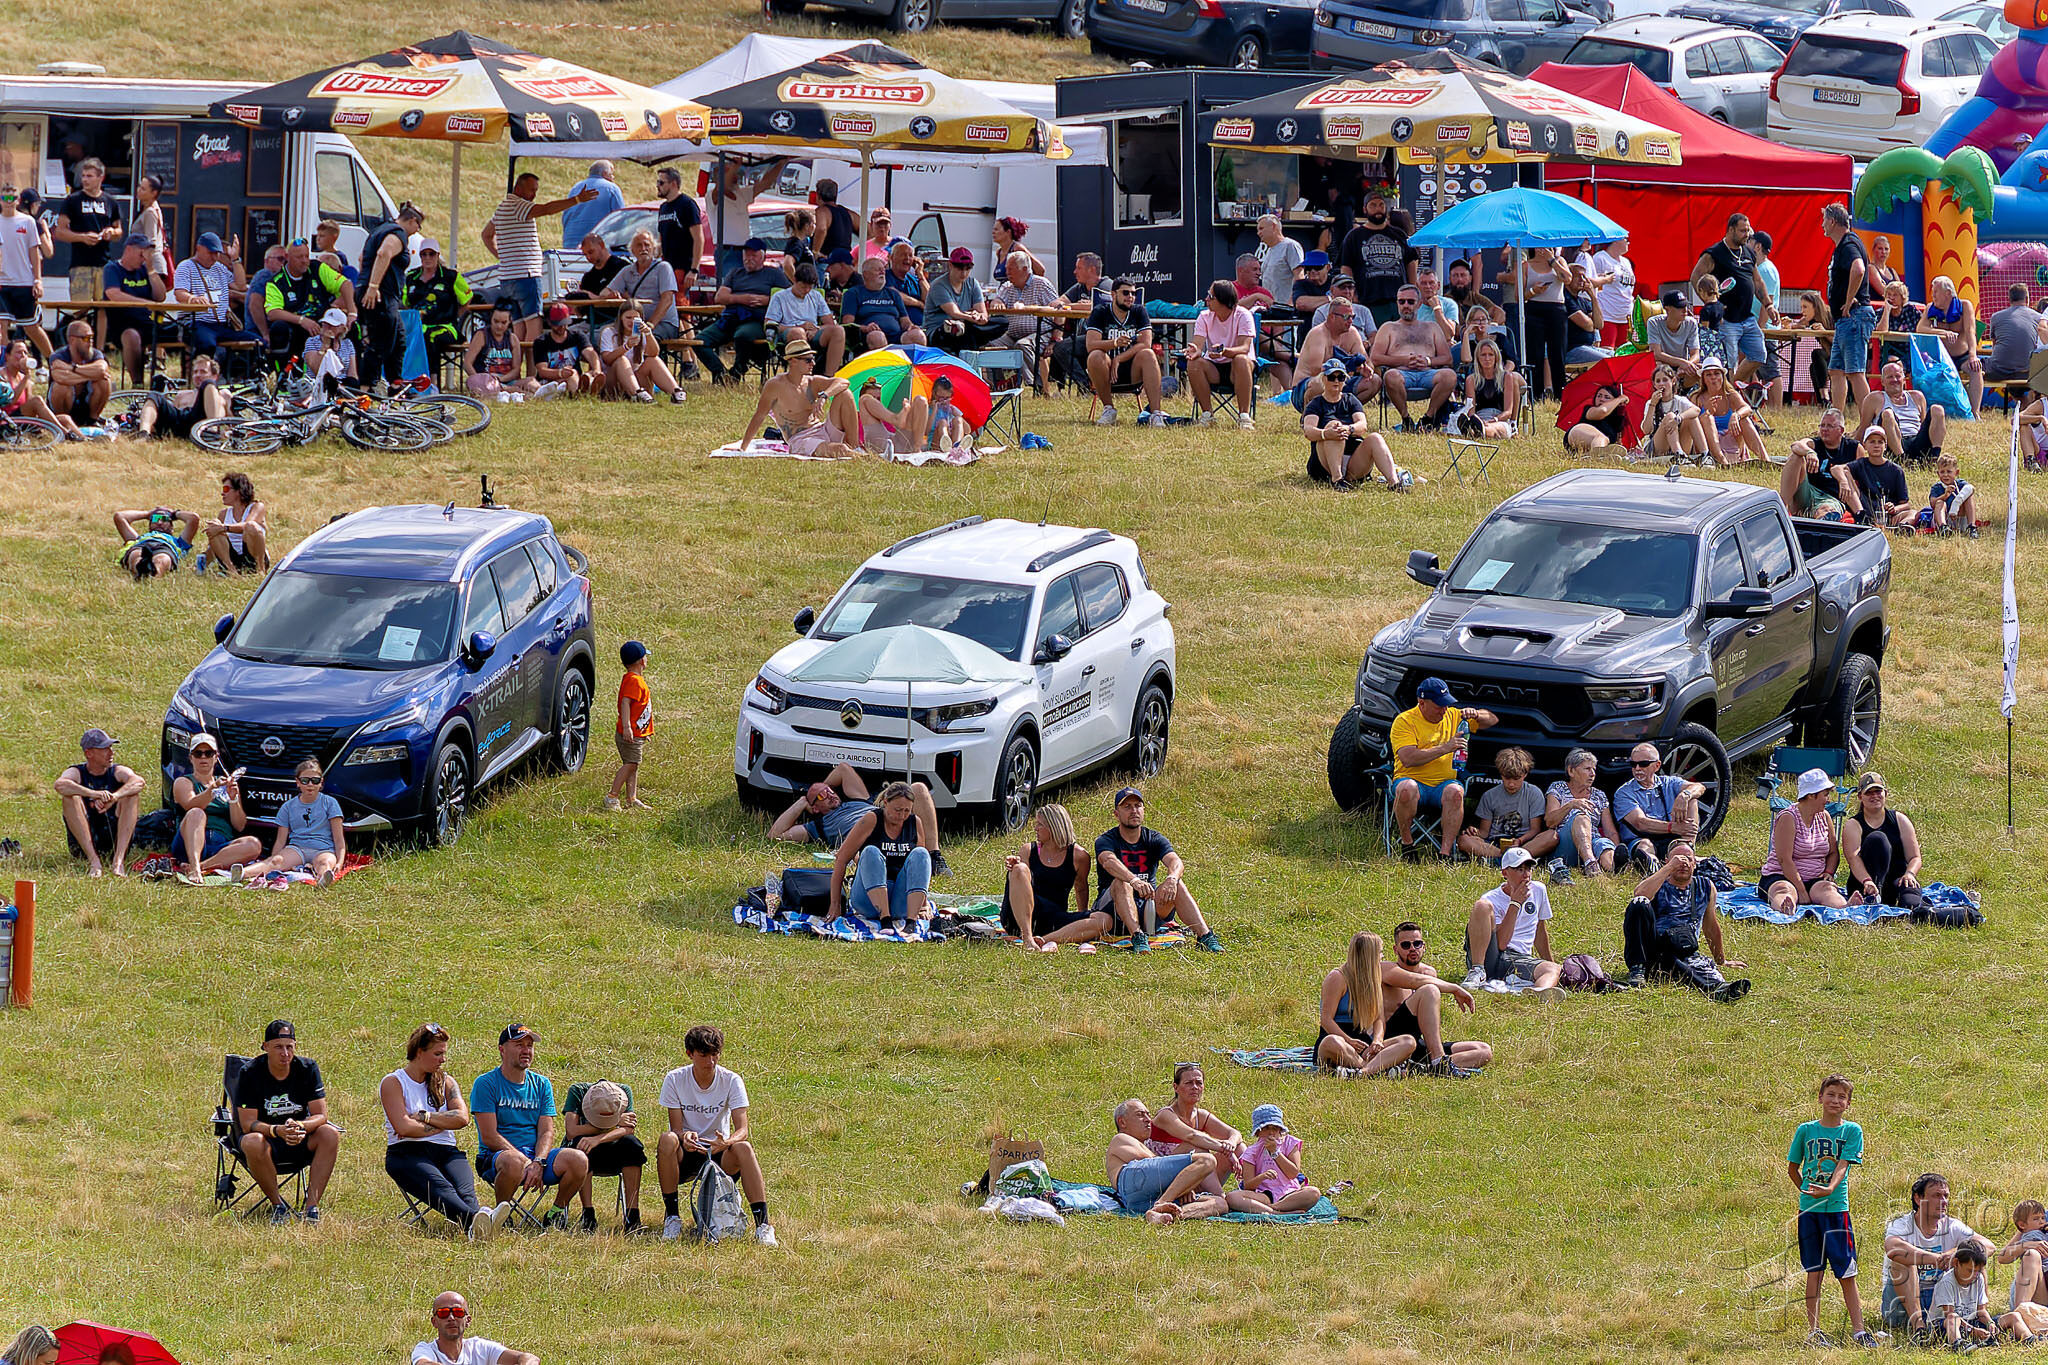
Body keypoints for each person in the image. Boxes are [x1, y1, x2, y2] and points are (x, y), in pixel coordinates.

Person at [381, 1024, 506, 1241]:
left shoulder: (446, 1082)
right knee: (442, 1188)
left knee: (465, 1192)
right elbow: (403, 1128)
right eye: (437, 1054)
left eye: (444, 1054)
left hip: (447, 1151)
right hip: (407, 1153)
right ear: (419, 1052)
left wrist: (424, 1117)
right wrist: (444, 1122)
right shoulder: (393, 1082)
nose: (443, 1060)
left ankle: (479, 1225)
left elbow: (462, 1118)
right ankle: (480, 1222)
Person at [655, 1025, 776, 1245]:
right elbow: (676, 1128)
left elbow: (743, 1130)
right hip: (687, 1152)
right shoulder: (675, 1079)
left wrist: (725, 1142)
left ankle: (763, 1226)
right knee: (667, 1139)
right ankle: (672, 1218)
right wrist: (685, 1137)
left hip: (719, 1152)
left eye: (715, 1055)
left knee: (744, 1147)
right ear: (690, 1054)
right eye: (704, 1055)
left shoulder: (731, 1080)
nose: (710, 1062)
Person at [470, 1023, 591, 1232]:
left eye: (529, 1045)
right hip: (496, 1157)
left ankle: (555, 1213)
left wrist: (538, 1161)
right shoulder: (486, 1083)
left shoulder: (541, 1084)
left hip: (536, 1158)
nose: (526, 1050)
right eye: (519, 1045)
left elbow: (547, 1131)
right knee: (513, 1161)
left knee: (578, 1159)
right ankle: (501, 1215)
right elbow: (489, 1136)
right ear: (502, 1049)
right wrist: (525, 1162)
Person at [1788, 1074, 1878, 1348]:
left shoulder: (1852, 1131)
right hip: (1809, 1212)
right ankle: (1814, 1331)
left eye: (1842, 1097)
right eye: (1831, 1094)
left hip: (1837, 1210)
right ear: (1820, 1097)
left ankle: (1859, 1331)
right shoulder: (1805, 1130)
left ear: (1848, 1104)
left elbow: (1843, 1165)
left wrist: (1829, 1189)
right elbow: (1793, 1167)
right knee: (1814, 1270)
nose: (1835, 1100)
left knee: (1846, 1271)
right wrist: (1806, 1191)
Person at [233, 1018, 341, 1224]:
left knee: (329, 1133)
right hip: (267, 1142)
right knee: (252, 1140)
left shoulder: (307, 1068)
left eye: (289, 1047)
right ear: (265, 1047)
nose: (285, 1053)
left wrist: (300, 1126)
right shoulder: (250, 1073)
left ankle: (311, 1208)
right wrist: (277, 1130)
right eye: (278, 1047)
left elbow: (321, 1115)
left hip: (299, 1138)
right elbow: (247, 1124)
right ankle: (278, 1206)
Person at [1093, 786, 1224, 952]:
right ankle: (1137, 936)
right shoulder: (1106, 840)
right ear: (1116, 814)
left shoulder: (1153, 838)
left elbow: (1175, 861)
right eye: (1127, 807)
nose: (1134, 811)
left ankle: (1205, 936)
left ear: (1143, 810)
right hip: (1113, 909)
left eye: (1137, 806)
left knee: (1177, 883)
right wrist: (1133, 880)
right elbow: (1108, 861)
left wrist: (1172, 878)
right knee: (1122, 882)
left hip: (1148, 907)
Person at [1622, 843, 1748, 1000]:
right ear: (1667, 861)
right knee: (1639, 903)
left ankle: (1719, 989)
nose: (1682, 863)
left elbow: (1710, 926)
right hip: (1653, 951)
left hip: (1683, 949)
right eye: (1677, 859)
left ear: (1694, 863)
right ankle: (1637, 969)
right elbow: (1639, 894)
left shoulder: (1705, 886)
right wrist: (1669, 868)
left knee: (1685, 963)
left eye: (1688, 859)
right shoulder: (1658, 883)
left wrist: (1721, 960)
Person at [483, 172, 598, 344]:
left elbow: (486, 235)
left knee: (518, 327)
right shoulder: (519, 206)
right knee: (533, 326)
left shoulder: (502, 208)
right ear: (518, 189)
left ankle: (517, 360)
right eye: (531, 190)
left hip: (507, 278)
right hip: (526, 276)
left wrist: (503, 257)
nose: (534, 195)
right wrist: (576, 200)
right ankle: (532, 361)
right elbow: (546, 209)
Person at [1390, 676, 1496, 860]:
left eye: (1446, 704)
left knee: (1456, 792)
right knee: (1407, 789)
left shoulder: (1453, 715)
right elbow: (1408, 758)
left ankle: (1445, 853)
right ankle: (1407, 845)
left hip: (1443, 784)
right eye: (1439, 705)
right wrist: (1445, 748)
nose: (1444, 709)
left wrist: (1477, 714)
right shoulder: (1404, 721)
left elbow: (1492, 720)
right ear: (1422, 703)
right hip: (1412, 781)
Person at [767, 762, 944, 866]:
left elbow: (843, 769)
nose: (829, 794)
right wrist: (801, 802)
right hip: (872, 842)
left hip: (892, 821)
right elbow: (775, 835)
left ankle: (934, 858)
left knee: (918, 788)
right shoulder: (819, 826)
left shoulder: (858, 799)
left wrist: (821, 788)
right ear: (815, 808)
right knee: (863, 854)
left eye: (830, 790)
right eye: (822, 796)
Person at [1885, 1172, 1994, 1338]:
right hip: (1902, 1306)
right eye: (1936, 1196)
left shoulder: (1953, 1226)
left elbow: (1989, 1246)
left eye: (1946, 1196)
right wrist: (1936, 1259)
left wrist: (1956, 1253)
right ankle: (1919, 1327)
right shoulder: (1901, 1225)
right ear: (1918, 1199)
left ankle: (1978, 1316)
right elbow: (1892, 1247)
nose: (1943, 1201)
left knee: (1975, 1259)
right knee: (1902, 1261)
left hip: (1944, 1301)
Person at [1381, 921, 1491, 1074]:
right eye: (1406, 945)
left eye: (1417, 944)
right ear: (1395, 949)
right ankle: (1438, 1060)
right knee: (1429, 990)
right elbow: (1413, 980)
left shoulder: (1429, 973)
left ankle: (1425, 1069)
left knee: (1483, 1051)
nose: (1412, 948)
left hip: (1418, 1043)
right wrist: (1455, 988)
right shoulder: (1386, 969)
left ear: (1424, 947)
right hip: (1394, 1041)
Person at [1001, 802, 1106, 950]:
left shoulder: (1079, 856)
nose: (1035, 828)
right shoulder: (1028, 850)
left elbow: (1081, 888)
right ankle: (1027, 938)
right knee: (1019, 869)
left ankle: (1043, 940)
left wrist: (1081, 919)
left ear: (1053, 826)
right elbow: (1019, 882)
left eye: (1040, 824)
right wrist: (1015, 867)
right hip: (1019, 919)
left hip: (1053, 918)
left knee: (1104, 920)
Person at [1104, 1098, 1226, 1225]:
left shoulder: (1142, 1145)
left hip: (1139, 1201)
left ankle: (1168, 1214)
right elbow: (1150, 1162)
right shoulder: (1120, 1139)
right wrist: (1184, 1186)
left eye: (1148, 1114)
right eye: (1140, 1115)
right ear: (1122, 1122)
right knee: (1207, 1160)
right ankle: (1161, 1204)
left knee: (1220, 1203)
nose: (1148, 1119)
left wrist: (1181, 1188)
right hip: (1131, 1182)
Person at [1462, 848, 1566, 997]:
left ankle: (1537, 993)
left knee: (1553, 970)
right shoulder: (1492, 898)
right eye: (1519, 869)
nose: (1526, 875)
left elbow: (1540, 931)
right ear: (1505, 873)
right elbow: (1501, 944)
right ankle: (1477, 971)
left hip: (1518, 959)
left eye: (1528, 869)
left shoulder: (1539, 890)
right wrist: (1515, 904)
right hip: (1491, 956)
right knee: (1481, 906)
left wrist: (1550, 962)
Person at [1314, 930, 1417, 1076]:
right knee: (1332, 1042)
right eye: (1380, 952)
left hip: (1363, 1042)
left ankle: (1362, 1072)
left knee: (1408, 1041)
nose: (1382, 956)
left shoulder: (1373, 978)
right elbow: (1326, 1019)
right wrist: (1349, 1041)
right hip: (1339, 1039)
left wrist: (1377, 1041)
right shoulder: (1337, 978)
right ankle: (1375, 1069)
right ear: (1369, 955)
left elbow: (1378, 1018)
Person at [738, 337, 861, 458]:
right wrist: (743, 448)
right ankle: (862, 457)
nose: (813, 364)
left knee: (845, 393)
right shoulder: (775, 385)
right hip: (801, 439)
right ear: (793, 361)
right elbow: (759, 416)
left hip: (822, 429)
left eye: (813, 359)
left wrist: (824, 396)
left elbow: (843, 382)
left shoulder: (812, 381)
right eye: (808, 360)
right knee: (840, 449)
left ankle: (855, 447)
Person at [233, 758, 344, 887]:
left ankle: (323, 879)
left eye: (315, 780)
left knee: (324, 863)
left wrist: (339, 863)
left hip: (324, 848)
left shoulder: (330, 803)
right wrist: (274, 860)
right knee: (276, 861)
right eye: (305, 780)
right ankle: (241, 873)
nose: (310, 784)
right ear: (298, 782)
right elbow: (281, 840)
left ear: (321, 783)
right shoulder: (288, 806)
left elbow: (338, 839)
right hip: (297, 848)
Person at [166, 731, 261, 883]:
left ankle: (200, 867)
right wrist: (212, 789)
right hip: (189, 842)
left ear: (216, 757)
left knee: (253, 844)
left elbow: (239, 825)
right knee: (197, 813)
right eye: (198, 754)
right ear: (191, 758)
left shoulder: (226, 784)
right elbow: (191, 805)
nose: (203, 758)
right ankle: (195, 866)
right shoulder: (183, 782)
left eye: (208, 753)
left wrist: (233, 799)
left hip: (220, 846)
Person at [1692, 211, 1770, 392]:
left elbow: (1757, 281)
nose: (1747, 235)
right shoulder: (1714, 253)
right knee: (1729, 362)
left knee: (1759, 355)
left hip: (1747, 318)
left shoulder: (1748, 252)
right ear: (1730, 230)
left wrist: (1769, 305)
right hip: (1726, 320)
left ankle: (1731, 387)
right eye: (1743, 231)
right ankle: (1727, 394)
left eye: (1748, 230)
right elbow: (1696, 277)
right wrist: (1710, 302)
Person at [1143, 1063, 1244, 1198]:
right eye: (1189, 1083)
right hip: (1163, 1176)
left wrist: (1231, 1144)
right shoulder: (1165, 1115)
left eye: (1199, 1083)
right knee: (1197, 1148)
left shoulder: (1201, 1116)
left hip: (1194, 1173)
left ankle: (1255, 1191)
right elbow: (1192, 1136)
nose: (1195, 1087)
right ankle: (1220, 1197)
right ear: (1176, 1087)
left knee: (1240, 1148)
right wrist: (1225, 1150)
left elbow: (1235, 1133)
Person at [1760, 768, 1850, 917]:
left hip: (1814, 878)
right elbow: (1784, 860)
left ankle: (1844, 907)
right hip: (1782, 875)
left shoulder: (1825, 816)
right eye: (1825, 795)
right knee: (1785, 889)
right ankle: (1784, 906)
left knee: (1828, 890)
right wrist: (1801, 890)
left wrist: (1829, 872)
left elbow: (1833, 852)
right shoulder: (1788, 818)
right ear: (1811, 795)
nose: (1828, 800)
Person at [1301, 359, 1400, 491]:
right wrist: (1326, 433)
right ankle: (1337, 480)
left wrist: (1349, 429)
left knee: (1375, 438)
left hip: (1353, 460)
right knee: (1334, 425)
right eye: (1332, 377)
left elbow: (1362, 425)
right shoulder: (1316, 404)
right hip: (1324, 463)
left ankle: (1394, 483)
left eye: (1340, 377)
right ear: (1323, 379)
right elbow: (1308, 431)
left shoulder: (1351, 400)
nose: (1336, 381)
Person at [56, 726, 142, 878]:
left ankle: (118, 862)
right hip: (82, 846)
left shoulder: (117, 771)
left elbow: (139, 782)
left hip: (114, 840)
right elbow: (60, 785)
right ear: (89, 753)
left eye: (110, 748)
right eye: (104, 749)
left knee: (131, 795)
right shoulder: (77, 772)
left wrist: (115, 797)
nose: (111, 753)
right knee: (70, 798)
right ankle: (94, 862)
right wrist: (93, 794)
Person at [562, 1078, 645, 1233]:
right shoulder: (577, 1091)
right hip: (583, 1152)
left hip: (613, 1149)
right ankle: (588, 1213)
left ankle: (632, 1215)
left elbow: (629, 1129)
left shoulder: (623, 1092)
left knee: (633, 1145)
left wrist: (598, 1138)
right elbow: (572, 1131)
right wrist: (615, 1123)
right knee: (581, 1145)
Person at [1368, 285, 1457, 431]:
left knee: (1450, 376)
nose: (1406, 306)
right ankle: (1406, 419)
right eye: (1401, 302)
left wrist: (1428, 361)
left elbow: (1447, 359)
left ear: (1419, 304)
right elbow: (1375, 358)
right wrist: (1404, 360)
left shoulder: (1432, 327)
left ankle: (1428, 418)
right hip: (1401, 374)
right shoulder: (1388, 328)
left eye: (1410, 302)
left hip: (1428, 373)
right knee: (1391, 376)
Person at [355, 201, 423, 388]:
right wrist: (373, 286)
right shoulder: (397, 233)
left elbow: (362, 258)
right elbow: (383, 253)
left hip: (374, 292)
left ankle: (395, 386)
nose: (416, 231)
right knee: (380, 344)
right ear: (412, 220)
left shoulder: (380, 229)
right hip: (380, 296)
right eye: (418, 226)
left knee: (399, 341)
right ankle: (365, 390)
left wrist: (366, 281)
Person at [1612, 741, 1705, 873]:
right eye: (1633, 764)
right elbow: (1640, 823)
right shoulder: (1623, 793)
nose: (1637, 768)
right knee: (1645, 846)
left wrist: (1684, 796)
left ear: (1657, 765)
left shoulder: (1669, 782)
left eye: (1643, 764)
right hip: (1642, 839)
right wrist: (1673, 827)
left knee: (1692, 799)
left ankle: (1687, 848)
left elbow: (1699, 787)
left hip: (1673, 838)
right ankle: (1651, 864)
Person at [1840, 771, 1926, 912]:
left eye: (1878, 791)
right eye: (1869, 793)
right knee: (1877, 839)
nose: (1874, 796)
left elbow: (1915, 857)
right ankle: (1873, 898)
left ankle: (1956, 915)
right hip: (1865, 884)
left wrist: (1910, 874)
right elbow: (1853, 859)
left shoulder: (1900, 820)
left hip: (1897, 880)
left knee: (1912, 907)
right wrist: (1867, 881)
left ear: (1886, 793)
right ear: (1860, 796)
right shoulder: (1853, 825)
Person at [56, 157, 121, 338]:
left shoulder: (110, 201)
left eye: (89, 176)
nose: (85, 180)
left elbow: (119, 231)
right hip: (80, 264)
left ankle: (98, 348)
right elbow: (60, 231)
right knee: (80, 310)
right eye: (83, 176)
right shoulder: (72, 200)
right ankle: (81, 345)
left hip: (104, 263)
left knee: (103, 308)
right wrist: (82, 237)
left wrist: (110, 232)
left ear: (101, 177)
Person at [172, 231, 258, 368]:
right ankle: (201, 373)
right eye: (210, 252)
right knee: (207, 344)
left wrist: (235, 259)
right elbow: (179, 293)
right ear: (199, 248)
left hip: (221, 324)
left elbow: (240, 285)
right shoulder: (185, 266)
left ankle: (235, 373)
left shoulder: (219, 268)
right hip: (197, 323)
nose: (214, 257)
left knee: (257, 342)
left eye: (217, 253)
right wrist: (193, 299)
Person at [262, 241, 354, 369]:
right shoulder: (276, 282)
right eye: (299, 257)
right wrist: (302, 320)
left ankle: (354, 375)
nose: (305, 261)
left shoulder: (317, 267)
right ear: (287, 257)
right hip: (297, 324)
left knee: (352, 326)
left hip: (324, 321)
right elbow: (273, 313)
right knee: (279, 328)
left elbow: (346, 285)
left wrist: (352, 312)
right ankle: (282, 372)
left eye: (306, 256)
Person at [1456, 746, 1555, 865]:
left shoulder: (1534, 793)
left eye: (1516, 779)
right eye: (1507, 778)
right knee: (1464, 840)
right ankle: (1508, 858)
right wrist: (1474, 832)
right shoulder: (1489, 795)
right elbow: (1484, 832)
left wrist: (1519, 840)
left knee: (1552, 836)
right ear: (1501, 774)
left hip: (1524, 842)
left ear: (1525, 774)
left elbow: (1535, 829)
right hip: (1495, 843)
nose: (1511, 784)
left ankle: (1504, 859)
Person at [1086, 278, 1163, 427]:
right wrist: (1114, 343)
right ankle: (1109, 409)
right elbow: (1091, 345)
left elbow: (1146, 343)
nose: (1131, 297)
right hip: (1106, 369)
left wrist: (1119, 358)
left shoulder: (1139, 311)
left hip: (1133, 368)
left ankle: (1156, 414)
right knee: (1095, 356)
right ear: (1113, 294)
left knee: (1148, 354)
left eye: (1133, 293)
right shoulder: (1100, 312)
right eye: (1126, 293)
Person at [1821, 203, 1876, 412]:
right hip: (1845, 320)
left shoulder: (1848, 244)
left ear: (1833, 221)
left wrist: (1849, 298)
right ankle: (1836, 417)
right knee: (1836, 370)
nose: (1822, 225)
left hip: (1854, 316)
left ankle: (1870, 420)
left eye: (1824, 220)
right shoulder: (1844, 244)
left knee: (1855, 372)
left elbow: (1859, 269)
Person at [1186, 279, 1256, 429]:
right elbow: (1198, 345)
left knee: (1241, 359)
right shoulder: (1204, 316)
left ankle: (1244, 417)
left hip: (1237, 368)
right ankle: (1207, 415)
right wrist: (1194, 351)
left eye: (1211, 296)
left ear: (1223, 300)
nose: (1206, 299)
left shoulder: (1243, 315)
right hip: (1214, 367)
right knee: (1193, 362)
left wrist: (1225, 351)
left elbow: (1244, 348)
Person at [1338, 191, 1415, 326]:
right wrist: (1352, 294)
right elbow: (1346, 267)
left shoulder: (1399, 234)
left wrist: (1413, 290)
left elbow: (1411, 262)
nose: (1378, 209)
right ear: (1365, 209)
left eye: (1381, 205)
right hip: (1369, 300)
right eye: (1373, 205)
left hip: (1399, 301)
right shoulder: (1354, 236)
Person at [1544, 748, 1621, 882]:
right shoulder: (1558, 788)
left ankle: (1615, 868)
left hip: (1593, 841)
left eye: (1594, 769)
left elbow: (1610, 832)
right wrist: (1571, 805)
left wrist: (1616, 848)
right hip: (1566, 844)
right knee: (1581, 816)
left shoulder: (1599, 795)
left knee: (1604, 844)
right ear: (1571, 771)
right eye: (1587, 769)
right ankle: (1591, 864)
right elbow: (1550, 822)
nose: (1592, 774)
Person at [1229, 1105, 1321, 1216]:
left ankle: (1272, 1208)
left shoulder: (1290, 1143)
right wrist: (1263, 1177)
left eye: (1275, 1128)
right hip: (1264, 1195)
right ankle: (1276, 1212)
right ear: (1258, 1131)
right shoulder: (1251, 1152)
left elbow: (1293, 1173)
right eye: (1266, 1128)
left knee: (1313, 1192)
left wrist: (1275, 1152)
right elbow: (1248, 1185)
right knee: (1232, 1197)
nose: (1271, 1132)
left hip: (1289, 1192)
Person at [101, 233, 166, 389]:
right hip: (123, 324)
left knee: (186, 331)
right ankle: (138, 383)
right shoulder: (112, 268)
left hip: (147, 323)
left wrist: (151, 270)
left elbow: (160, 296)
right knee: (132, 336)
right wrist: (145, 303)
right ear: (129, 250)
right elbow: (113, 294)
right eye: (141, 253)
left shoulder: (145, 270)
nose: (144, 258)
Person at [405, 240, 473, 377]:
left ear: (437, 255)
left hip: (446, 326)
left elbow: (467, 297)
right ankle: (407, 379)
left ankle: (433, 381)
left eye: (431, 254)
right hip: (419, 326)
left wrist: (456, 315)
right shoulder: (411, 277)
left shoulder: (451, 276)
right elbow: (405, 302)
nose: (427, 258)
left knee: (430, 338)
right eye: (424, 254)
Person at [1782, 408, 1866, 521]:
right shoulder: (1815, 444)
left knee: (1825, 510)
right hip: (1808, 491)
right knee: (1796, 457)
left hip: (1832, 497)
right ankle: (1782, 506)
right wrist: (1810, 453)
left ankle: (1818, 523)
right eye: (1822, 425)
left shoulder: (1854, 448)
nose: (1824, 429)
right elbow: (1796, 445)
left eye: (1829, 426)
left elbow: (1861, 479)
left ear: (1841, 430)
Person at [1856, 358, 1944, 465]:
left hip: (1916, 440)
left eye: (1898, 376)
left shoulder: (1917, 397)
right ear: (1882, 381)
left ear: (1904, 379)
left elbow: (1924, 425)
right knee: (1887, 413)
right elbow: (1863, 427)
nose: (1894, 380)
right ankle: (1902, 459)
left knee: (1937, 409)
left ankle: (1934, 457)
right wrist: (1853, 449)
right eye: (1890, 377)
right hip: (1892, 444)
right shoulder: (1874, 398)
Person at [411, 1291, 538, 1365]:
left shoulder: (480, 1348)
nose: (451, 1318)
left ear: (468, 1321)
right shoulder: (425, 1350)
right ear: (434, 1322)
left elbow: (529, 1358)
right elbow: (423, 1363)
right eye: (443, 1313)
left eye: (458, 1312)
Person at [0, 184, 52, 361]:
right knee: (1, 326)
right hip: (2, 282)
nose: (9, 201)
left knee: (31, 327)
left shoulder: (28, 221)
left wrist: (38, 280)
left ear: (18, 200)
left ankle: (54, 361)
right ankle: (5, 366)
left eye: (12, 198)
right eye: (5, 198)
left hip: (23, 281)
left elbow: (34, 252)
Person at [1918, 273, 1984, 414]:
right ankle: (1931, 410)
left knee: (1976, 369)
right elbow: (1920, 328)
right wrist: (1943, 332)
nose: (1933, 295)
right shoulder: (1930, 308)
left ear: (1947, 293)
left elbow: (1971, 331)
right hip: (1940, 358)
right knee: (1923, 372)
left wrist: (1973, 355)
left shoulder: (1965, 306)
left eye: (1936, 292)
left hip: (1962, 356)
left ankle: (1975, 412)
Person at [1294, 295, 1379, 402]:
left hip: (1340, 383)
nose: (1350, 321)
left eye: (1352, 317)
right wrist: (1349, 366)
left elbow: (1368, 362)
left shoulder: (1352, 333)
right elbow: (1315, 371)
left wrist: (1364, 368)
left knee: (1374, 380)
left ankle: (1348, 409)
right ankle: (1314, 411)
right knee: (1322, 383)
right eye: (1346, 317)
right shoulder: (1318, 334)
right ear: (1332, 317)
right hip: (1305, 387)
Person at [594, 303, 682, 404]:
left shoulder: (641, 333)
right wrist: (626, 347)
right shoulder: (609, 332)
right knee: (622, 360)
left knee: (653, 360)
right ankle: (637, 394)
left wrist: (648, 334)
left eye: (635, 319)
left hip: (637, 379)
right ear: (621, 318)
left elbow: (654, 353)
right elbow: (607, 359)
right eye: (628, 318)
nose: (631, 322)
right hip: (614, 383)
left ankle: (676, 392)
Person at [765, 263, 845, 374]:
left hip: (813, 332)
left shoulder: (816, 296)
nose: (806, 290)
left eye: (810, 287)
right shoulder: (779, 297)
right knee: (798, 332)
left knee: (838, 331)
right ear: (795, 281)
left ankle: (829, 377)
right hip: (789, 333)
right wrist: (800, 327)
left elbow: (830, 323)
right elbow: (770, 324)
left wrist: (817, 329)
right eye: (803, 287)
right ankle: (803, 376)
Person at [924, 246, 1006, 353]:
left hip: (966, 325)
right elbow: (954, 313)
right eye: (959, 268)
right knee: (958, 329)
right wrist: (972, 317)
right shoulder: (938, 285)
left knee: (1002, 321)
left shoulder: (973, 283)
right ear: (950, 265)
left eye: (967, 269)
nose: (963, 273)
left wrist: (980, 317)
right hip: (941, 330)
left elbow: (983, 313)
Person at [605, 230, 682, 341]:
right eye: (639, 245)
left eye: (647, 245)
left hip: (663, 323)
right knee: (605, 335)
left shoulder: (663, 268)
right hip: (636, 323)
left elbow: (667, 299)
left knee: (642, 339)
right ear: (632, 250)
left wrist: (650, 325)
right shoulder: (627, 271)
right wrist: (614, 295)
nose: (643, 248)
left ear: (653, 248)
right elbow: (605, 292)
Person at [135, 354, 228, 443]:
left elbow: (232, 419)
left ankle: (213, 430)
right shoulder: (182, 394)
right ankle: (143, 434)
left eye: (203, 372)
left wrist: (227, 431)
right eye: (195, 372)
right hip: (180, 423)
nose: (198, 375)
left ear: (214, 376)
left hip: (201, 422)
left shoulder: (223, 394)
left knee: (208, 383)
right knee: (154, 395)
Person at [0, 340, 83, 438]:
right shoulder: (2, 375)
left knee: (65, 418)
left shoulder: (23, 377)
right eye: (19, 352)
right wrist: (27, 377)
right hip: (7, 420)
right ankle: (65, 433)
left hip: (24, 419)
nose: (23, 356)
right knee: (37, 400)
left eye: (25, 353)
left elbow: (29, 403)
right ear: (7, 356)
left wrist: (42, 417)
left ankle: (84, 439)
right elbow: (10, 401)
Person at [1695, 357, 1767, 465]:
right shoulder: (1697, 398)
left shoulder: (1731, 395)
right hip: (1707, 442)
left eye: (1716, 373)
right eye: (1708, 375)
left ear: (1722, 377)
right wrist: (1708, 412)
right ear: (1703, 379)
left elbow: (1747, 408)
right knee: (1708, 418)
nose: (1713, 377)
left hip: (1731, 440)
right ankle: (1722, 461)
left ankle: (1765, 460)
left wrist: (1736, 415)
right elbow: (1693, 424)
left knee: (1744, 420)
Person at [607, 639, 651, 812]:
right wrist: (627, 727)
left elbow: (639, 710)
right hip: (629, 734)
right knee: (630, 764)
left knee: (633, 765)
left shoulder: (633, 679)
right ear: (641, 661)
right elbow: (625, 703)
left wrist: (644, 730)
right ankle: (612, 796)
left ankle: (631, 798)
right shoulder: (634, 681)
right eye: (645, 656)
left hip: (637, 733)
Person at [842, 255, 919, 355]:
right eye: (877, 270)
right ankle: (885, 365)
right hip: (868, 335)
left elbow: (905, 321)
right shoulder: (854, 293)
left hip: (896, 335)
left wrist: (911, 327)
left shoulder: (893, 293)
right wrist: (865, 328)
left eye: (883, 269)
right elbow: (848, 323)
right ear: (865, 274)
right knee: (877, 337)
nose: (882, 272)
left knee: (917, 335)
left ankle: (917, 366)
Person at [1848, 424, 1915, 527]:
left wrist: (1894, 508)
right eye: (1872, 442)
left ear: (1885, 446)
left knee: (1914, 513)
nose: (1876, 445)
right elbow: (1840, 469)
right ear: (1864, 445)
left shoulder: (1896, 470)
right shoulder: (1859, 465)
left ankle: (1901, 527)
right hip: (1867, 513)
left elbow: (1906, 504)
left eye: (1880, 442)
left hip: (1890, 516)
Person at [1644, 364, 1711, 464]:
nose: (1661, 384)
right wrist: (1652, 405)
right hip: (1658, 447)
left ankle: (1705, 455)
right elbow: (1647, 430)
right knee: (1670, 416)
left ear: (1673, 381)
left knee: (1691, 417)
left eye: (1665, 380)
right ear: (1654, 385)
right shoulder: (1650, 403)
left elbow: (1696, 410)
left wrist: (1679, 418)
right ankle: (1678, 454)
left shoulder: (1679, 400)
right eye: (1658, 381)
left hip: (1681, 442)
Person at [463, 305, 533, 401]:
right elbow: (467, 363)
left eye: (503, 322)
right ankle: (511, 393)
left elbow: (516, 370)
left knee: (531, 382)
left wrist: (501, 380)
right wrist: (478, 378)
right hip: (486, 381)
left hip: (507, 380)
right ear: (491, 319)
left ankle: (506, 392)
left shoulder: (512, 338)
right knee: (476, 383)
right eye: (496, 321)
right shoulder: (482, 335)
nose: (499, 326)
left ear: (509, 321)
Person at [47, 320, 110, 425]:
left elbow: (101, 370)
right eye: (85, 338)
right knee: (61, 386)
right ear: (72, 340)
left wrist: (72, 368)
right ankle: (63, 423)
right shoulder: (58, 356)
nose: (90, 342)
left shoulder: (95, 354)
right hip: (65, 406)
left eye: (92, 337)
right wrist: (90, 375)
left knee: (104, 382)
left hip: (86, 403)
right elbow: (60, 378)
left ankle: (92, 421)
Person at [650, 164, 707, 281]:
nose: (657, 186)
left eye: (661, 183)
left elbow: (699, 238)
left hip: (684, 268)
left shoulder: (687, 205)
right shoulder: (663, 207)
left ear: (673, 184)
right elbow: (661, 238)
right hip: (667, 268)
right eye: (657, 182)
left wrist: (694, 270)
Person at [112, 505, 200, 579]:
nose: (159, 522)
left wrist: (174, 514)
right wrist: (147, 514)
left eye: (164, 519)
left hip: (167, 547)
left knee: (163, 558)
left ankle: (153, 572)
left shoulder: (179, 542)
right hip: (143, 544)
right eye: (155, 518)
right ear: (149, 526)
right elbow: (119, 516)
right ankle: (141, 569)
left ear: (171, 528)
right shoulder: (137, 539)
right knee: (136, 554)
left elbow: (193, 518)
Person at [1458, 336, 1520, 441]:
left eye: (1490, 355)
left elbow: (1508, 411)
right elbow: (1471, 409)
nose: (1487, 358)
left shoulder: (1506, 377)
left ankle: (1478, 431)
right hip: (1479, 417)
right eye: (1483, 355)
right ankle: (1476, 429)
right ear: (1478, 358)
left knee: (1494, 428)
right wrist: (1478, 419)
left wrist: (1495, 419)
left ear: (1496, 357)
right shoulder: (1471, 380)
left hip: (1500, 418)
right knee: (1480, 424)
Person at [531, 303, 598, 399]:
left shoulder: (577, 336)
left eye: (564, 323)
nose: (562, 327)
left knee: (573, 374)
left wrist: (596, 369)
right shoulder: (541, 342)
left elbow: (590, 353)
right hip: (549, 381)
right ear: (549, 323)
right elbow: (542, 371)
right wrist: (560, 373)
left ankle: (583, 388)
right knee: (572, 374)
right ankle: (579, 395)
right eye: (558, 324)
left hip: (574, 377)